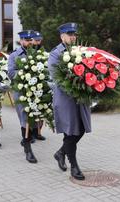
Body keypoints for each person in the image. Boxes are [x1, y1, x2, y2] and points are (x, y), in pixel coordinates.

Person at [48, 23, 91, 180]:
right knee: (70, 132)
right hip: (65, 99)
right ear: (62, 36)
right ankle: (74, 166)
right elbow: (56, 78)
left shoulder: (80, 51)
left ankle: (61, 153)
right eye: (69, 34)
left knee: (81, 130)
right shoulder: (55, 54)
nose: (73, 37)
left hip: (80, 99)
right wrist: (77, 86)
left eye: (74, 34)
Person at [8, 30, 44, 164]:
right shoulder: (14, 55)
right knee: (25, 119)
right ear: (21, 41)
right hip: (21, 93)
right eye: (27, 40)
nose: (29, 43)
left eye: (31, 40)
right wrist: (26, 72)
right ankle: (28, 149)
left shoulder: (37, 54)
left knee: (34, 119)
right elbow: (11, 73)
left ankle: (27, 139)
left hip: (36, 92)